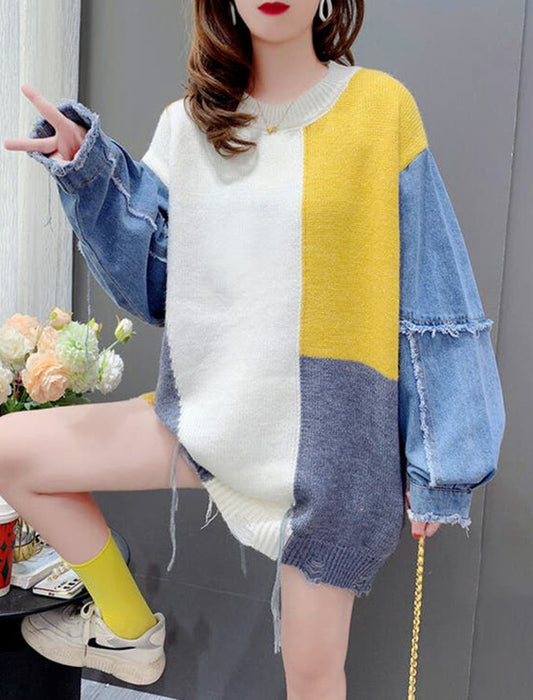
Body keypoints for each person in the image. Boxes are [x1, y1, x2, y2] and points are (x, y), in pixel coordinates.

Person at [1, 0, 505, 697]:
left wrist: (439, 464)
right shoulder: (189, 125)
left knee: (312, 676)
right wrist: (89, 172)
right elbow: (156, 286)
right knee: (11, 449)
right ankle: (128, 629)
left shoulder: (379, 108)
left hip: (332, 447)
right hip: (207, 416)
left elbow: (433, 290)